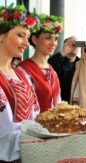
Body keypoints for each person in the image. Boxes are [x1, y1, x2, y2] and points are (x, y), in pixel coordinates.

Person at [0, 4, 40, 162]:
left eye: (27, 36)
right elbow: (5, 128)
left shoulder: (21, 74)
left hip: (27, 152)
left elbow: (35, 115)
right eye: (20, 35)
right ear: (1, 35)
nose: (26, 42)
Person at [18, 14, 64, 113]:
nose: (53, 43)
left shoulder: (52, 71)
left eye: (56, 39)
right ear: (34, 39)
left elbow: (58, 102)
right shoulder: (23, 70)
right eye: (48, 38)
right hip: (32, 126)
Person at [48, 36, 80, 103]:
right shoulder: (58, 60)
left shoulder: (81, 64)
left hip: (76, 104)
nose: (74, 46)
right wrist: (62, 53)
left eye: (77, 43)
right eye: (71, 43)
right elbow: (48, 68)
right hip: (59, 101)